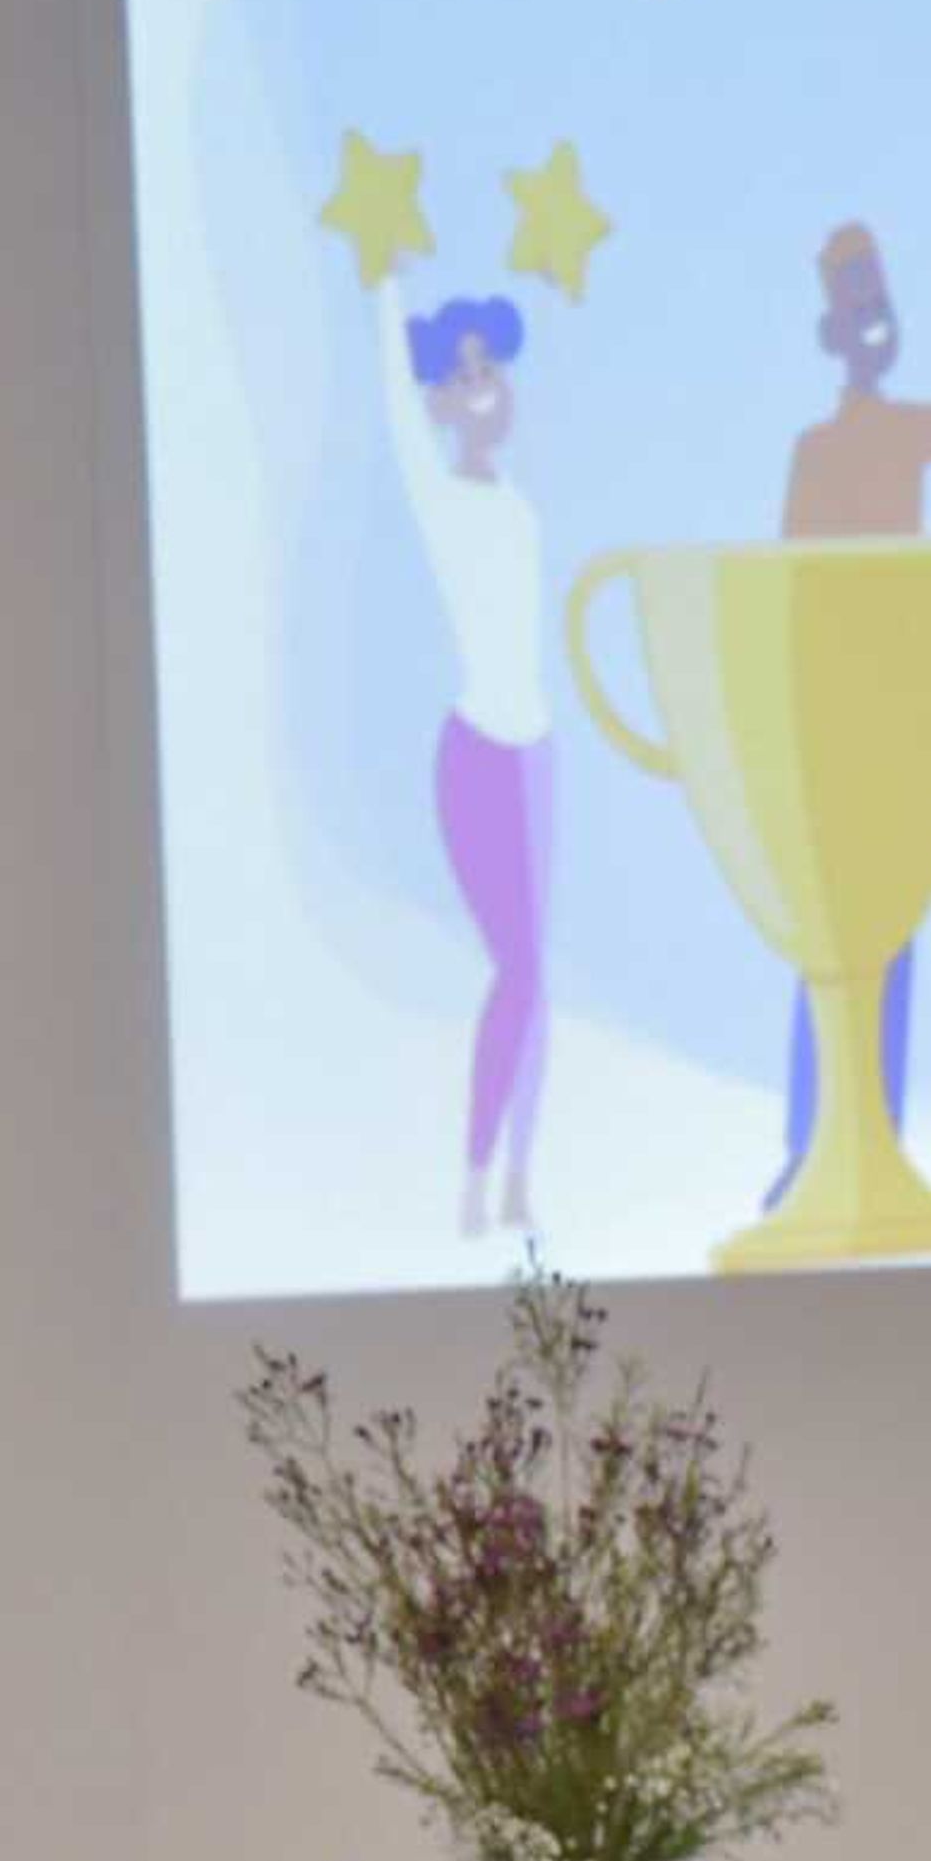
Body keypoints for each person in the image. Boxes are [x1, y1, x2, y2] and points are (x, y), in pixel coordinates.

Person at [763, 220, 931, 1210]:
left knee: (894, 931)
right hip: (833, 735)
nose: (874, 328)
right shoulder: (815, 451)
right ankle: (806, 1140)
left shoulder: (907, 430)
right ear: (835, 332)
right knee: (825, 940)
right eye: (858, 313)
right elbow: (793, 587)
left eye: (883, 311)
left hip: (901, 735)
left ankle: (884, 1133)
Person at [369, 277, 559, 1240]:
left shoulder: (514, 501)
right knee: (518, 973)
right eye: (468, 378)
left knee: (538, 978)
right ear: (443, 399)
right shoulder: (444, 501)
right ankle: (475, 1182)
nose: (488, 391)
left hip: (537, 753)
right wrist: (382, 280)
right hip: (480, 754)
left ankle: (519, 1180)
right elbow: (400, 423)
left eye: (496, 372)